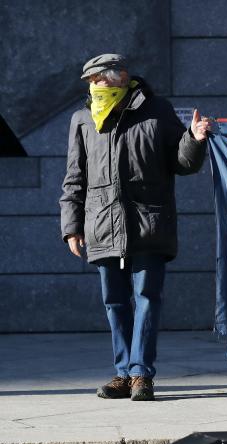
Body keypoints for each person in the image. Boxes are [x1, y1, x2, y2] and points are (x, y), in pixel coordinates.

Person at [60, 54, 212, 400]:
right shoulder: (83, 119)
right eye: (90, 81)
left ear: (118, 77)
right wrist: (71, 225)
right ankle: (122, 372)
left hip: (149, 221)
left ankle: (141, 373)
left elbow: (182, 162)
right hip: (102, 223)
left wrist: (194, 137)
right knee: (114, 300)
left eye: (97, 79)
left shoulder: (157, 110)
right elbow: (75, 178)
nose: (93, 86)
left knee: (147, 297)